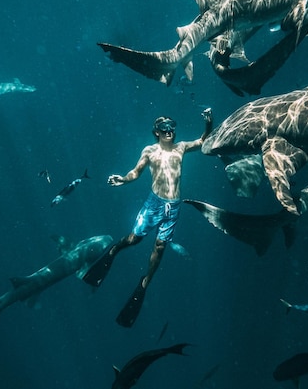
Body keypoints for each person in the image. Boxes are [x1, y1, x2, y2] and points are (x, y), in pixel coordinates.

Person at [83, 109, 213, 327]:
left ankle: (145, 282)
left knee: (160, 247)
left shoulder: (181, 148)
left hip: (173, 207)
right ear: (156, 132)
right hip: (154, 204)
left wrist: (209, 123)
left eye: (172, 126)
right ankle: (115, 249)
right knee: (135, 239)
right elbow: (136, 172)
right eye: (164, 128)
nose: (169, 130)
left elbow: (202, 141)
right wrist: (123, 180)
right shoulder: (150, 151)